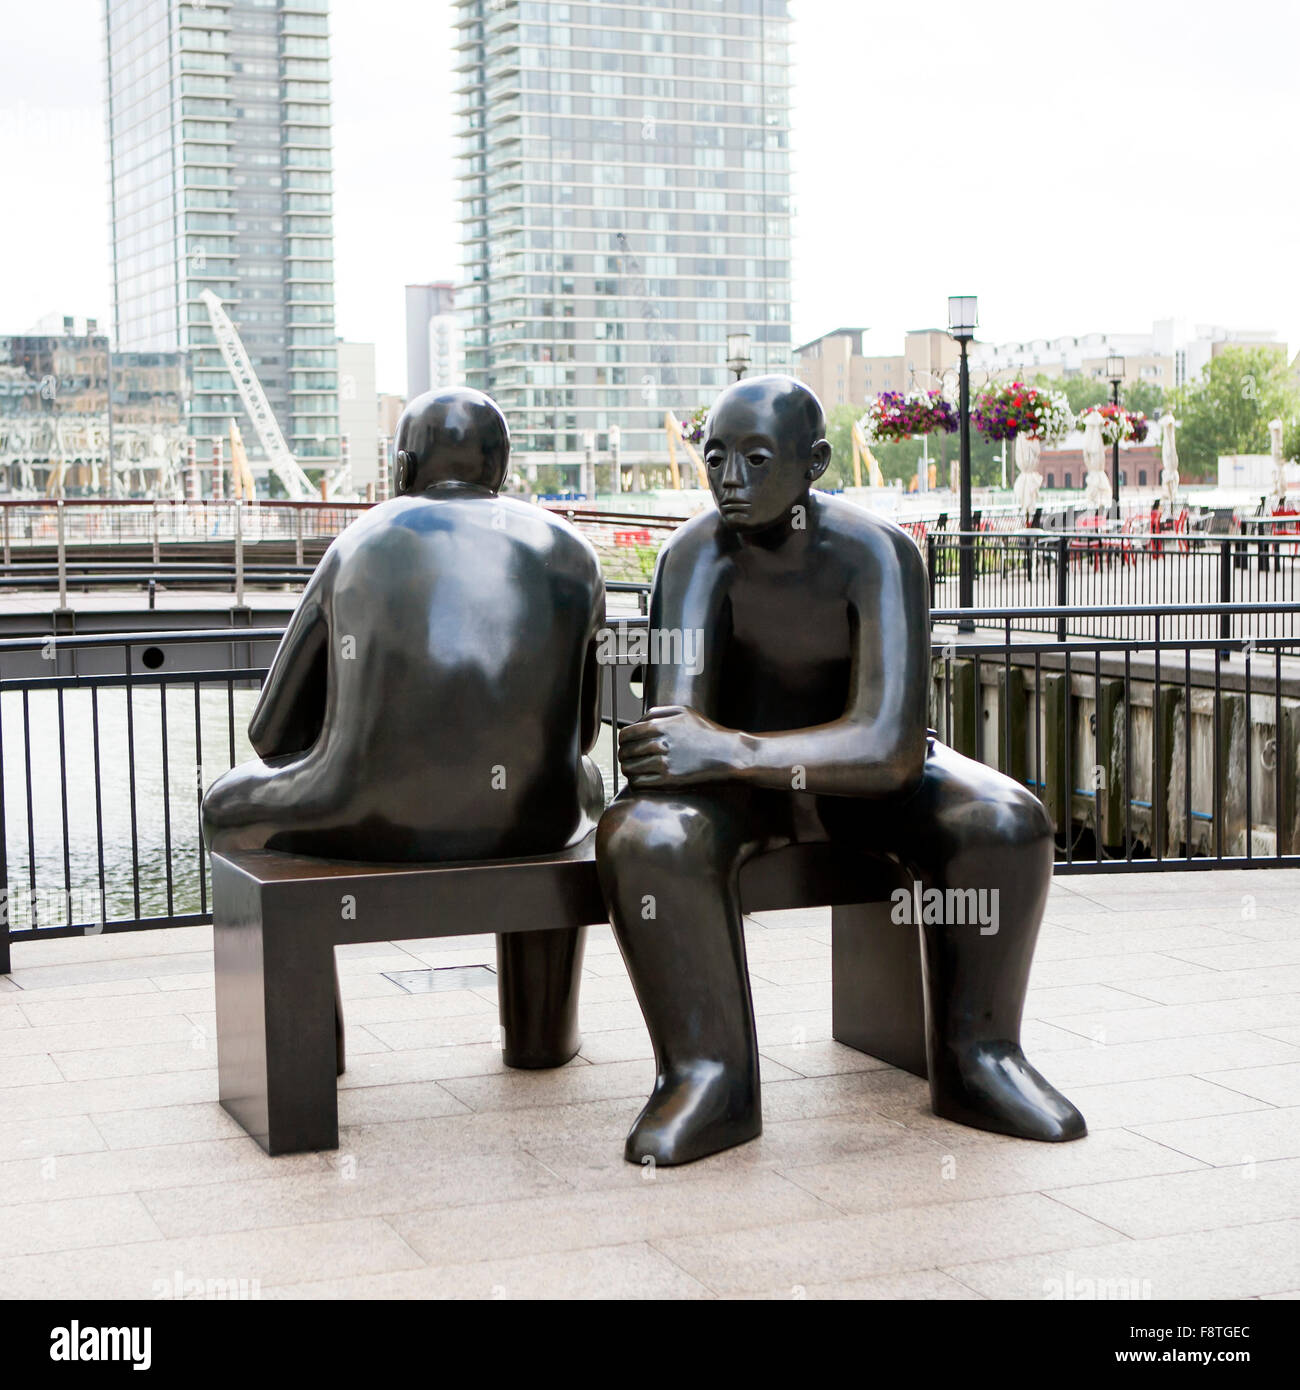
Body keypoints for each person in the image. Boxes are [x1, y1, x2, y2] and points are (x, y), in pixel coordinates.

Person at [597, 375, 1085, 1166]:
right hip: (741, 798)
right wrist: (681, 753)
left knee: (1003, 819)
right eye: (716, 457)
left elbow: (889, 751)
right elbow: (676, 733)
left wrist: (734, 749)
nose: (730, 478)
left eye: (756, 460)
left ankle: (979, 1057)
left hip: (860, 785)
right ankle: (708, 1076)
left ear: (813, 463)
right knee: (643, 834)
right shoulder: (693, 556)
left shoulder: (879, 553)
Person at [203, 387, 606, 1071]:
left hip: (373, 813)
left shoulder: (360, 541)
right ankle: (542, 1034)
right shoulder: (573, 551)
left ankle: (312, 1050)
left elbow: (270, 734)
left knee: (224, 807)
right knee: (583, 781)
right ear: (501, 467)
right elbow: (586, 731)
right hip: (531, 818)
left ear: (404, 463)